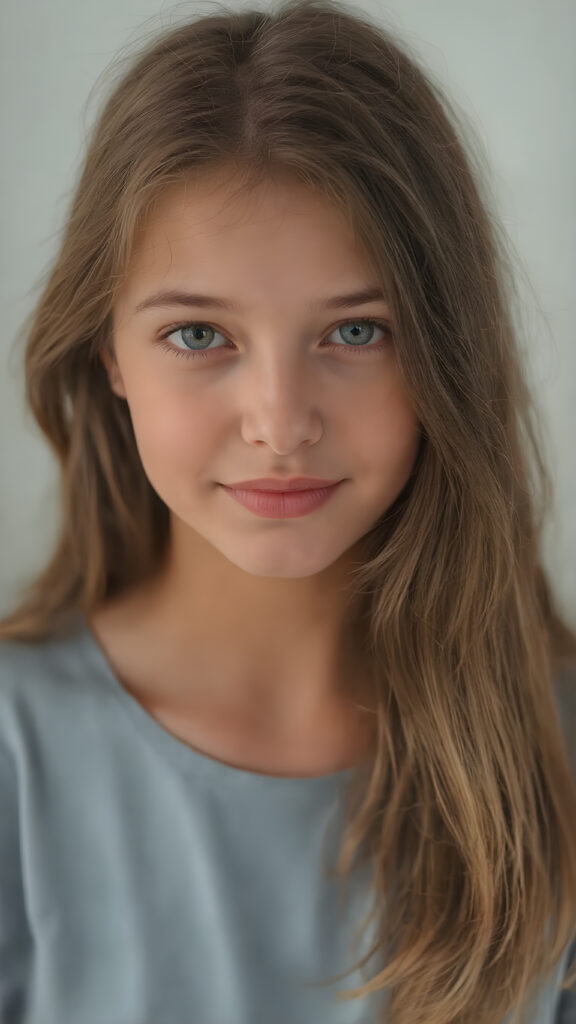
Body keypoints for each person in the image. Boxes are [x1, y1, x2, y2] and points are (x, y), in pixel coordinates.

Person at [1, 0, 575, 1021]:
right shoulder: (16, 754)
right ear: (108, 357)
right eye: (197, 335)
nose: (280, 422)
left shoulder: (558, 751)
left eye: (356, 330)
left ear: (450, 352)